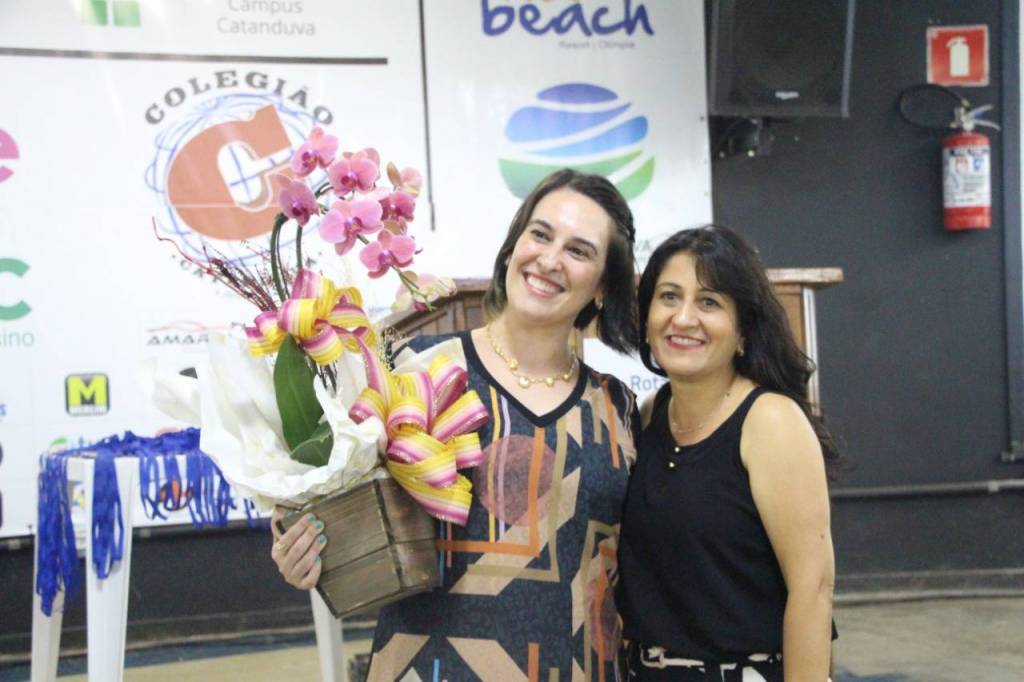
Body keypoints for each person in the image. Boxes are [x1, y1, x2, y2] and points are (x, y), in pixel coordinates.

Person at [272, 168, 642, 680]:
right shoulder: (417, 369)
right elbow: (331, 499)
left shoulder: (618, 409)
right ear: (512, 249)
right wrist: (302, 545)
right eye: (540, 234)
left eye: (579, 251)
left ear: (602, 287)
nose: (550, 259)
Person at [616, 225, 838, 681]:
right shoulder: (648, 415)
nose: (683, 318)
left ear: (743, 331)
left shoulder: (770, 421)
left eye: (709, 302)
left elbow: (812, 589)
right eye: (669, 296)